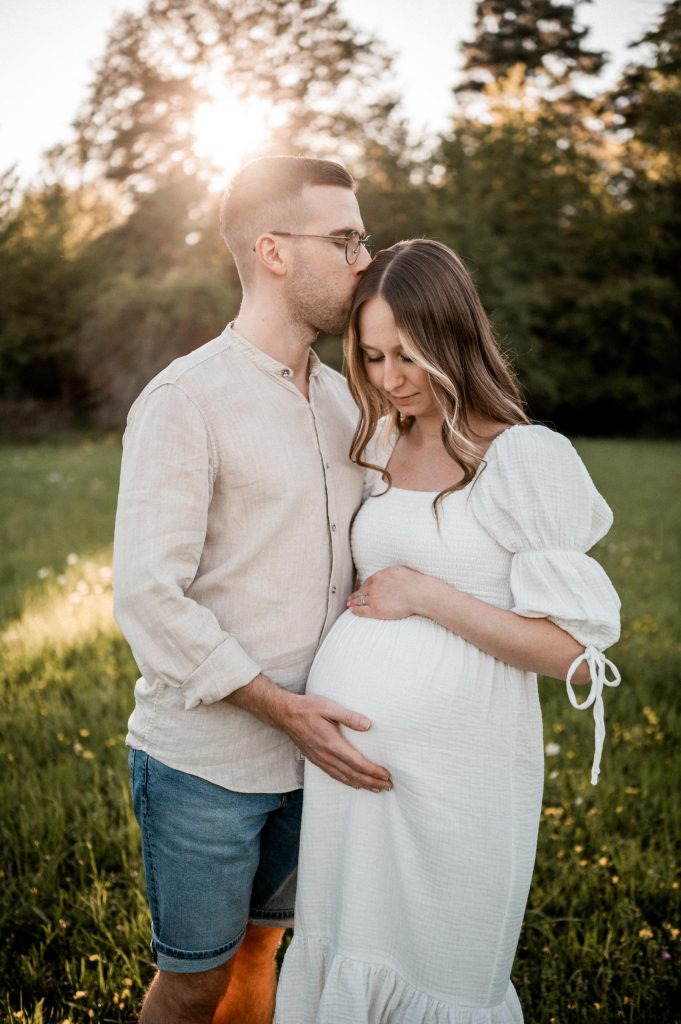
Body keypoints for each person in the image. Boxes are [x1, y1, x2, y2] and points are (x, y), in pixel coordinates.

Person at [274, 239, 621, 1024]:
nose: (390, 379)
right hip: (350, 779)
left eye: (407, 355)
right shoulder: (380, 444)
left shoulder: (523, 457)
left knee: (443, 966)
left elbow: (575, 655)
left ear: (454, 341)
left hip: (459, 776)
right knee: (345, 947)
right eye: (371, 357)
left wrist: (431, 596)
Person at [112, 155, 392, 1024]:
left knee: (265, 947)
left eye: (363, 238)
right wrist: (281, 709)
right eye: (344, 239)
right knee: (194, 978)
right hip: (207, 763)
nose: (362, 261)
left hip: (318, 762)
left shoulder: (352, 404)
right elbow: (149, 600)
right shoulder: (186, 399)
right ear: (273, 252)